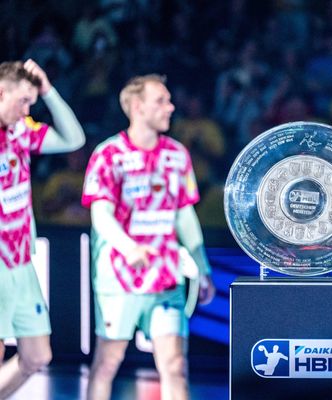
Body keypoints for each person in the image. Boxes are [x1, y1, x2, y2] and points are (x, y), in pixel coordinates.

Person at [81, 74, 216, 400]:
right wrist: (129, 249)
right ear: (137, 107)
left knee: (174, 364)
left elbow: (184, 215)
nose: (171, 107)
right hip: (119, 278)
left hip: (166, 277)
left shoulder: (177, 154)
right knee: (107, 362)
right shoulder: (108, 154)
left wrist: (202, 267)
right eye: (161, 101)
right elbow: (100, 215)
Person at [0, 59, 85, 397]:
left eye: (31, 103)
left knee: (37, 356)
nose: (26, 110)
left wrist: (48, 92)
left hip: (21, 261)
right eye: (23, 101)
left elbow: (73, 139)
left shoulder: (21, 130)